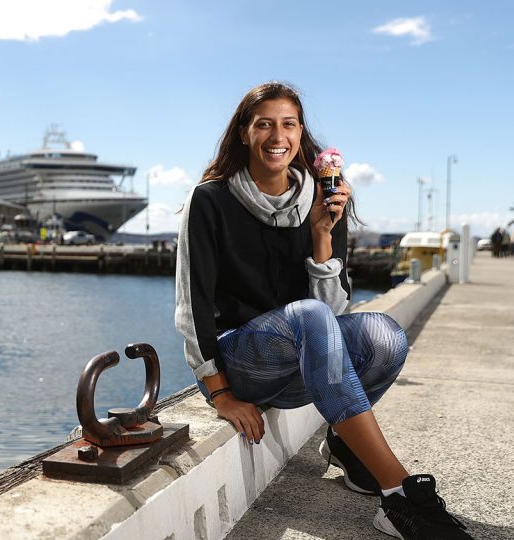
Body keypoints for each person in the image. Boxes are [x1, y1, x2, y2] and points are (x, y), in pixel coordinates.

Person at [174, 82, 471, 539]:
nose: (278, 136)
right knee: (310, 317)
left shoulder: (324, 198)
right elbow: (190, 304)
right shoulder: (210, 199)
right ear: (243, 133)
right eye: (264, 124)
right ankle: (399, 496)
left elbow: (333, 311)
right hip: (241, 359)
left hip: (303, 356)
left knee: (383, 335)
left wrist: (322, 236)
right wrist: (219, 393)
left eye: (288, 124)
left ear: (300, 134)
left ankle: (346, 448)